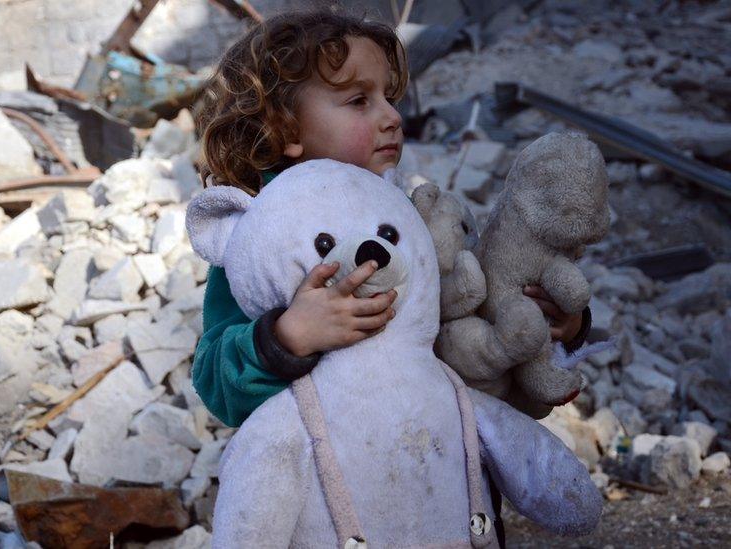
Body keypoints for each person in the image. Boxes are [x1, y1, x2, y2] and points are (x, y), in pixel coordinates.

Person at [192, 9, 590, 428]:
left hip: (429, 452)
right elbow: (216, 384)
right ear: (287, 129)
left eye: (388, 97)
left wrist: (554, 319)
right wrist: (288, 336)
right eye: (360, 100)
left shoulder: (407, 217)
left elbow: (467, 314)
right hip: (327, 470)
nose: (393, 117)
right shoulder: (260, 237)